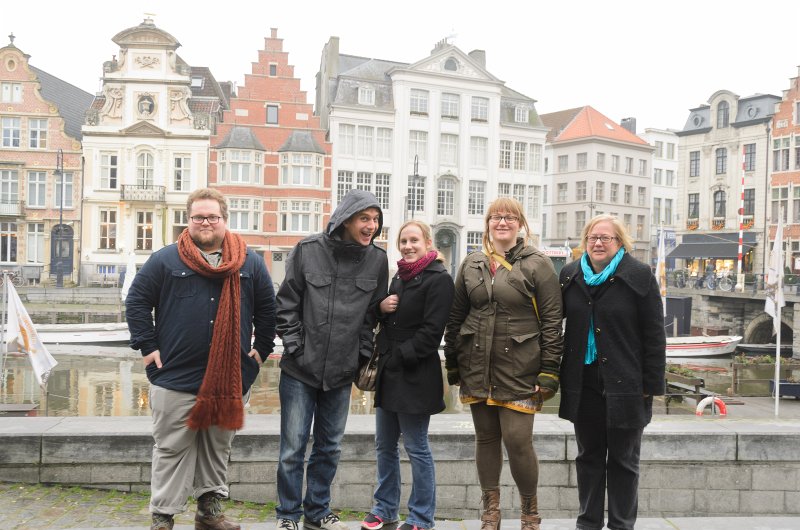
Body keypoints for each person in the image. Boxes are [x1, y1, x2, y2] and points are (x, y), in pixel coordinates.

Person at [126, 188, 276, 530]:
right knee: (170, 448)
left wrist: (261, 351)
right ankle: (163, 516)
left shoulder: (249, 262)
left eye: (212, 217)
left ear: (224, 220)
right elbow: (136, 303)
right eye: (198, 217)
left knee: (217, 447)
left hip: (231, 377)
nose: (205, 222)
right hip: (175, 375)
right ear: (188, 220)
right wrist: (148, 347)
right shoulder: (165, 260)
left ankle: (209, 513)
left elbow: (268, 309)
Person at [443, 198, 563, 530]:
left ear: (520, 224)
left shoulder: (538, 264)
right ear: (488, 224)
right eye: (496, 217)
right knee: (485, 438)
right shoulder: (471, 263)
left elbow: (553, 323)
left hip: (521, 366)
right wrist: (453, 362)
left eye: (510, 217)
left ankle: (529, 512)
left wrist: (549, 371)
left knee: (517, 440)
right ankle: (491, 511)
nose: (503, 222)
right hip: (477, 364)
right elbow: (455, 319)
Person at [275, 189, 389, 530]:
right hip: (299, 370)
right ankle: (288, 515)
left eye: (375, 220)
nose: (371, 226)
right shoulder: (307, 251)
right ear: (346, 219)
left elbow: (371, 315)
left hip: (342, 371)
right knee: (292, 449)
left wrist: (362, 355)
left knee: (329, 448)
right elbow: (286, 304)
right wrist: (295, 346)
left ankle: (317, 512)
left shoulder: (377, 260)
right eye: (364, 218)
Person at [558, 215, 666, 530]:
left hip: (627, 383)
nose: (598, 243)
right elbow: (550, 321)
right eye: (593, 237)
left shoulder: (639, 275)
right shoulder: (570, 275)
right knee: (588, 457)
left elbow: (655, 336)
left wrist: (651, 385)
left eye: (606, 238)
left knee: (624, 461)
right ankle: (588, 522)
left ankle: (621, 524)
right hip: (584, 381)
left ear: (620, 242)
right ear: (585, 241)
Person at [361, 220, 454, 530]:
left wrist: (398, 357)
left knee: (416, 447)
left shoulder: (439, 279)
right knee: (384, 445)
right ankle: (385, 509)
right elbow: (387, 319)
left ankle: (421, 517)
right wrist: (379, 308)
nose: (408, 246)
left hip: (414, 374)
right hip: (390, 372)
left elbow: (432, 333)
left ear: (427, 242)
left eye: (414, 240)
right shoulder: (400, 275)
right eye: (403, 241)